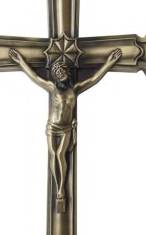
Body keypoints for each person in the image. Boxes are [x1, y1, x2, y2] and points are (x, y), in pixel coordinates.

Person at [8, 47, 122, 212]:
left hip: (66, 127)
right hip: (52, 126)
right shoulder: (52, 87)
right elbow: (35, 76)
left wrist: (109, 63)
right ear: (54, 76)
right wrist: (20, 61)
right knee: (53, 155)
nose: (60, 74)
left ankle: (61, 188)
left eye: (62, 71)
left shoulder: (75, 88)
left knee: (61, 154)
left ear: (67, 72)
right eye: (57, 73)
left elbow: (94, 78)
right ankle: (58, 186)